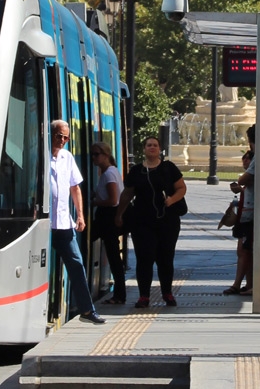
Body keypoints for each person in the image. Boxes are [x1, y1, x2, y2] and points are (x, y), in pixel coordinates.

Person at [117, 134, 187, 308]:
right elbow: (127, 194)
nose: (152, 147)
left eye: (155, 145)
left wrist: (171, 200)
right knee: (144, 258)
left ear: (159, 149)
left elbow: (181, 188)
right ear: (144, 149)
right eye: (149, 145)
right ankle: (144, 296)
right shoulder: (136, 171)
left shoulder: (169, 168)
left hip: (167, 222)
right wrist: (119, 214)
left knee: (165, 258)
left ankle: (167, 293)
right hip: (142, 222)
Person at [49, 120, 105, 324]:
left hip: (64, 222)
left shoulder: (67, 157)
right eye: (58, 136)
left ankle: (87, 310)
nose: (62, 141)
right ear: (50, 134)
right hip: (45, 224)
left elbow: (75, 188)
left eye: (66, 137)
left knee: (77, 264)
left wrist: (80, 215)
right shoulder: (40, 153)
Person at [90, 141, 126, 305]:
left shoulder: (109, 174)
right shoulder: (110, 171)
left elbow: (113, 200)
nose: (93, 158)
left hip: (108, 219)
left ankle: (119, 295)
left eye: (97, 154)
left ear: (106, 155)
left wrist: (94, 203)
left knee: (113, 257)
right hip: (107, 218)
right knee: (113, 256)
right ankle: (119, 294)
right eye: (92, 154)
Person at [225, 125, 256, 295]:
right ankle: (248, 284)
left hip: (251, 213)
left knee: (244, 250)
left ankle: (238, 284)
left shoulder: (259, 157)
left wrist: (241, 183)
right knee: (246, 250)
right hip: (248, 211)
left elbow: (245, 178)